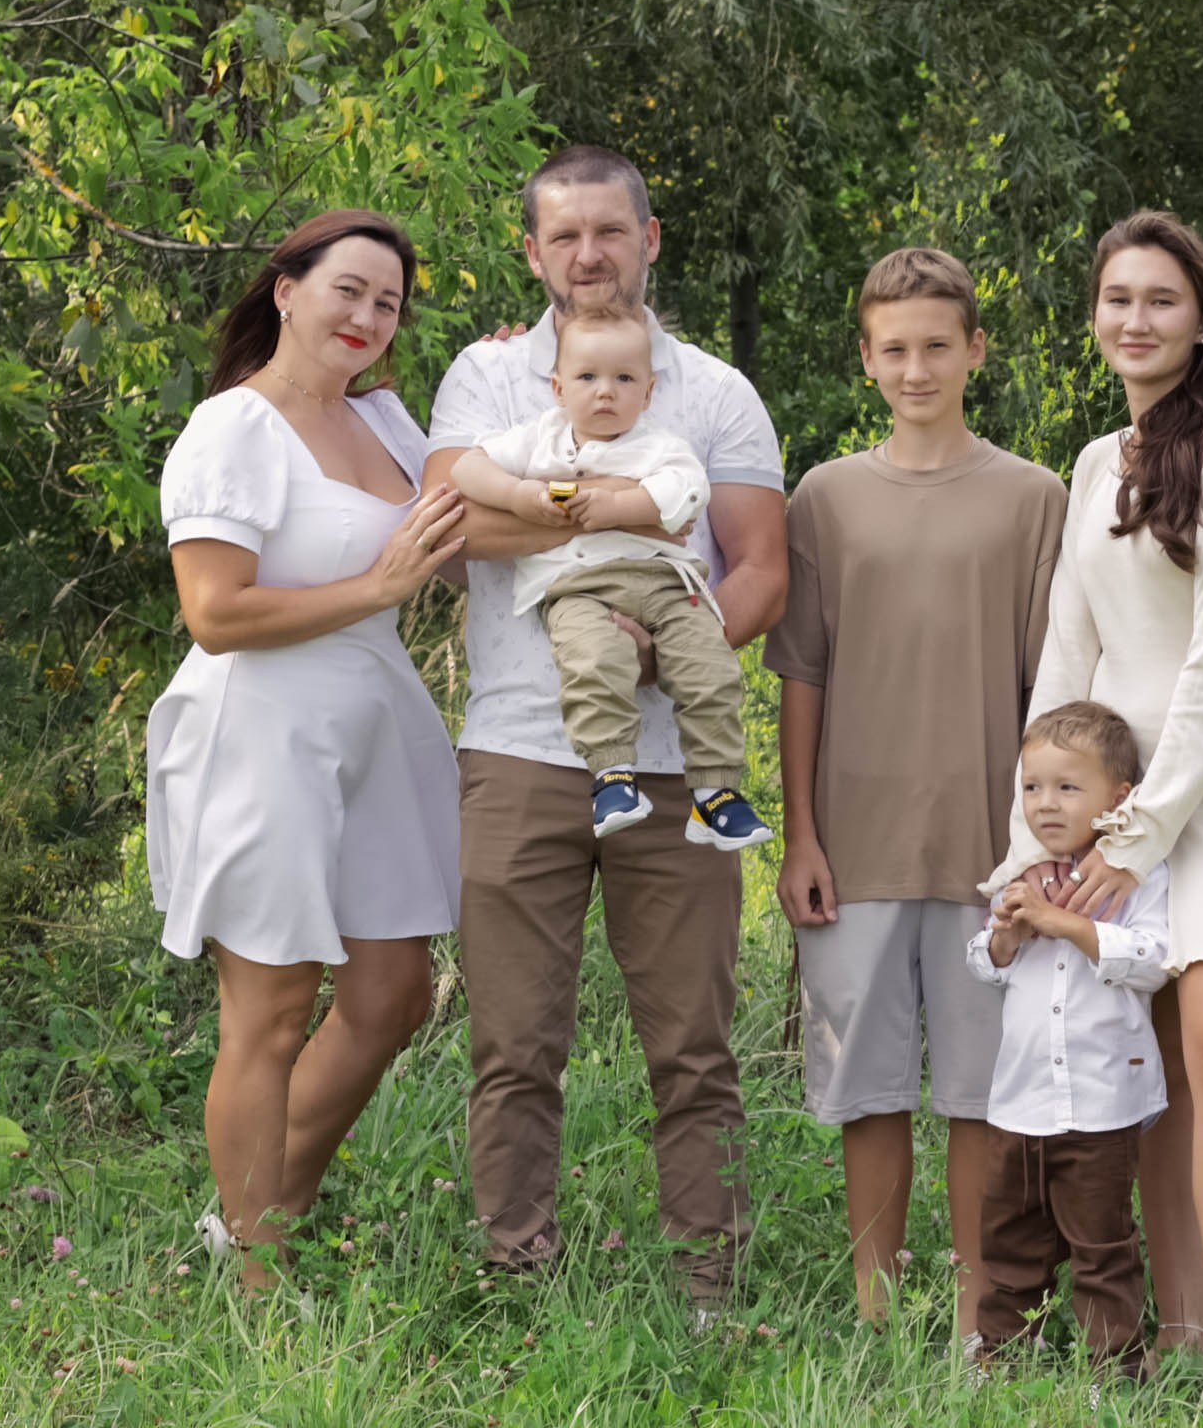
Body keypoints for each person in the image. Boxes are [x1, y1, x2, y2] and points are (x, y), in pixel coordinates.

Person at [423, 146, 787, 1310]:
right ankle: (519, 1279)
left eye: (610, 232)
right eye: (564, 236)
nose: (589, 254)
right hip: (522, 751)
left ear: (651, 238)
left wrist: (661, 649)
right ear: (532, 252)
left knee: (693, 1048)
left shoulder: (716, 392)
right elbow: (449, 526)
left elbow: (762, 572)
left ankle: (709, 1288)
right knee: (514, 1043)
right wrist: (617, 515)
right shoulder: (487, 383)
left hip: (676, 766)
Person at [986, 209, 1203, 1359]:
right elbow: (1066, 660)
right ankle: (1175, 1338)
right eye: (1117, 300)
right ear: (1094, 316)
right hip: (1101, 803)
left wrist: (1138, 838)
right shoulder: (1095, 464)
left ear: (1200, 325)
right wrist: (1031, 839)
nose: (1134, 320)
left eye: (1160, 301)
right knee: (1146, 1066)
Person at [145, 209, 467, 1293]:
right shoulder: (233, 428)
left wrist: (539, 383)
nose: (370, 317)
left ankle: (262, 1206)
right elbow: (216, 612)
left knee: (392, 992)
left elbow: (478, 520)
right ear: (287, 289)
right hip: (265, 725)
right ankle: (254, 1270)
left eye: (389, 303)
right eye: (350, 290)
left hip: (377, 714)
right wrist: (377, 587)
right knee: (274, 1007)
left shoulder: (390, 426)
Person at [765, 247, 1068, 1339]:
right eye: (894, 348)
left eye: (938, 345)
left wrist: (1045, 846)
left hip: (993, 850)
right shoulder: (827, 498)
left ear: (976, 350)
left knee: (983, 1096)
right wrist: (801, 834)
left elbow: (1056, 687)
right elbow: (801, 673)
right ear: (865, 359)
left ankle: (981, 1316)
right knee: (868, 1089)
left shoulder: (1035, 497)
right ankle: (876, 1311)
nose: (917, 366)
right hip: (856, 843)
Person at [447, 301, 773, 847]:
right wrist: (520, 495)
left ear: (647, 393)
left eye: (624, 378)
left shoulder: (661, 444)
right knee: (594, 663)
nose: (606, 391)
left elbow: (688, 494)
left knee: (709, 667)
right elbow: (465, 469)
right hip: (577, 588)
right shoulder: (539, 440)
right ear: (558, 388)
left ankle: (716, 793)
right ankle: (613, 776)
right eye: (587, 377)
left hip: (667, 586)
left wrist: (613, 508)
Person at [966, 702, 1171, 1377]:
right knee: (1009, 1242)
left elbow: (1152, 960)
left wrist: (1070, 924)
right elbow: (983, 965)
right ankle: (1000, 1359)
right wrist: (1007, 934)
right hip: (1018, 1103)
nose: (1045, 805)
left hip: (1100, 1105)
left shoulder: (1136, 880)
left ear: (1120, 798)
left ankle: (1115, 1370)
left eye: (1067, 788)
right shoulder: (1019, 876)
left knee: (1102, 1244)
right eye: (1032, 787)